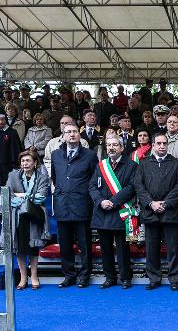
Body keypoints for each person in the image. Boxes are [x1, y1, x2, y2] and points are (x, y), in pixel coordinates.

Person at [134, 133, 178, 291]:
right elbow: (139, 186)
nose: (162, 146)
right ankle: (154, 279)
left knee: (173, 249)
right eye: (159, 143)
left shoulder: (177, 164)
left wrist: (166, 203)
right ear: (153, 145)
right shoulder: (143, 164)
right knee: (151, 248)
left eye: (164, 143)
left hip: (171, 212)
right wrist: (151, 203)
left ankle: (174, 279)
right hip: (150, 212)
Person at [51, 123, 98, 288]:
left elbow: (94, 180)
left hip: (82, 204)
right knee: (64, 243)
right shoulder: (56, 154)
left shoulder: (90, 155)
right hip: (62, 204)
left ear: (80, 134)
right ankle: (69, 275)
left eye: (75, 132)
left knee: (84, 243)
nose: (71, 134)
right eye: (68, 132)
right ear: (63, 136)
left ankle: (85, 276)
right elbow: (55, 178)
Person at [89, 136, 138, 289]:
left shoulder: (131, 165)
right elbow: (92, 186)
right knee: (105, 248)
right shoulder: (101, 165)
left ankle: (125, 278)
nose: (111, 148)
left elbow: (132, 187)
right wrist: (101, 201)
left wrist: (114, 201)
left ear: (122, 148)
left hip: (121, 211)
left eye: (115, 145)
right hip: (103, 211)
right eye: (108, 145)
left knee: (123, 248)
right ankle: (110, 277)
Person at [6, 151, 50, 290]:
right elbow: (9, 196)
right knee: (19, 248)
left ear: (35, 163)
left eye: (28, 160)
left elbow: (41, 197)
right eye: (23, 161)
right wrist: (28, 197)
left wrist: (21, 196)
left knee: (33, 247)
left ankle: (34, 276)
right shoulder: (13, 176)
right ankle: (23, 278)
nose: (25, 163)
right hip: (18, 216)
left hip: (34, 216)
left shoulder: (43, 177)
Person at [0, 113, 22, 185]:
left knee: (8, 185)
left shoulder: (12, 132)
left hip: (9, 164)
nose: (1, 122)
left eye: (2, 119)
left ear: (6, 120)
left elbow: (17, 149)